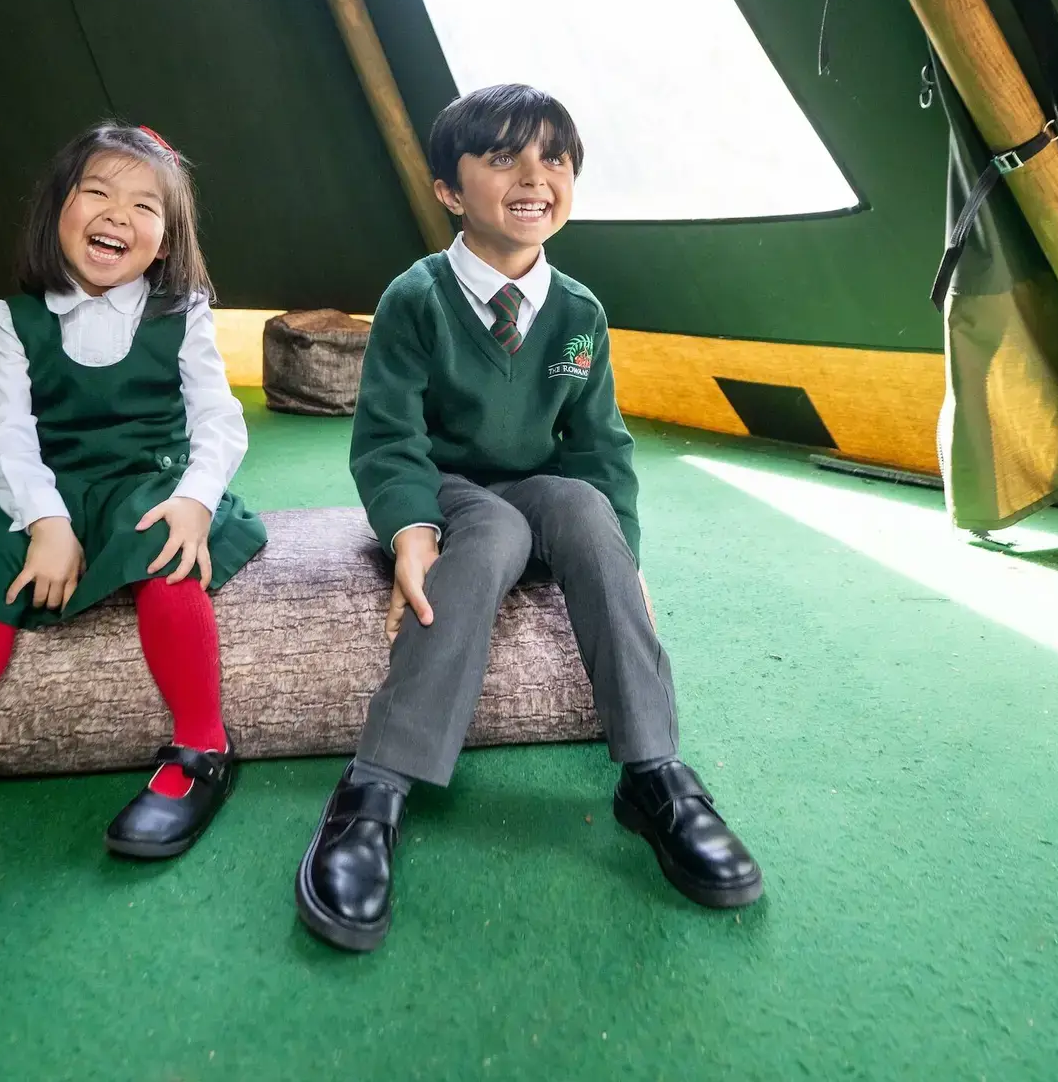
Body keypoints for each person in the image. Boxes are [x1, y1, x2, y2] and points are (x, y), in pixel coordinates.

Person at [294, 84, 763, 950]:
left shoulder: (580, 313)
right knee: (499, 533)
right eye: (503, 156)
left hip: (540, 484)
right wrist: (409, 531)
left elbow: (597, 446)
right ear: (448, 188)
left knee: (585, 508)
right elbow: (388, 439)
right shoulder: (415, 298)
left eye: (554, 157)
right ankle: (374, 788)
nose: (535, 175)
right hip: (445, 487)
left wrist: (626, 561)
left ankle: (654, 774)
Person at [0, 122, 266, 895]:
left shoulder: (182, 312)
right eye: (96, 192)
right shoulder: (12, 318)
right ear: (56, 210)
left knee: (167, 556)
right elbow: (4, 432)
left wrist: (197, 502)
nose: (117, 215)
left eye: (144, 206)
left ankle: (201, 751)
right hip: (53, 484)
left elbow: (218, 420)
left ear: (165, 241)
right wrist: (47, 522)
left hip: (153, 475)